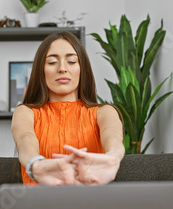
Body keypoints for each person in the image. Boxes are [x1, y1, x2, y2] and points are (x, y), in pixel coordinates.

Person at [11, 31, 125, 186]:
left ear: (82, 69)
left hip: (91, 205)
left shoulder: (104, 112)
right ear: (41, 70)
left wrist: (113, 157)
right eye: (52, 62)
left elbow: (112, 135)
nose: (62, 68)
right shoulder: (25, 112)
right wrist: (36, 165)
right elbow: (25, 138)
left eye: (71, 61)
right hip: (39, 206)